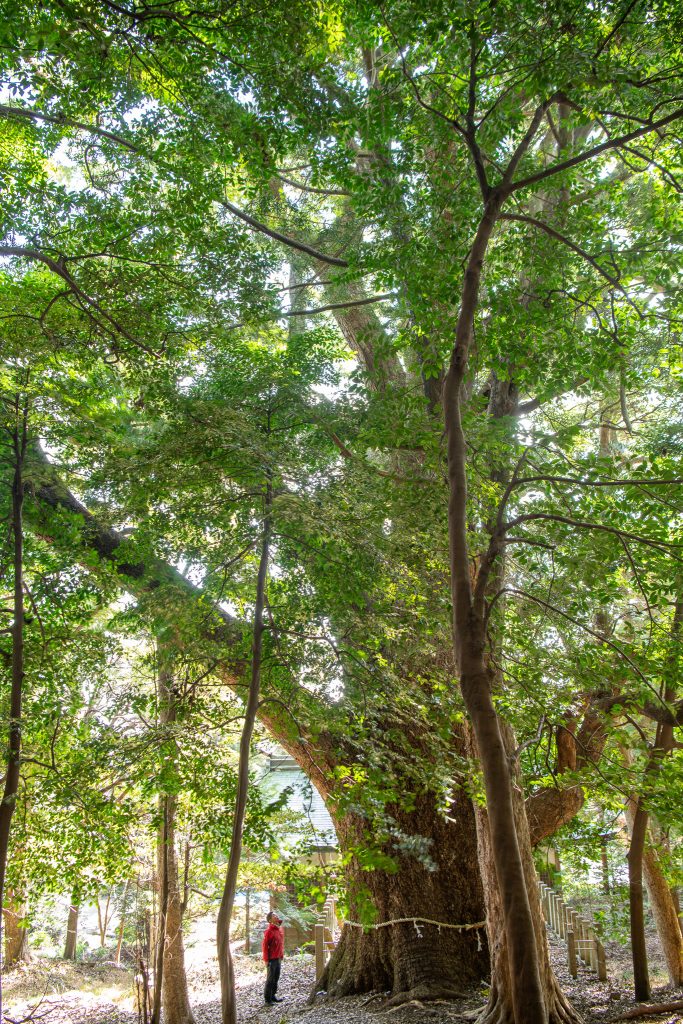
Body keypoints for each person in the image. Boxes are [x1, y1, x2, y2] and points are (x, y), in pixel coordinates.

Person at [262, 911, 284, 1005]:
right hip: (272, 959)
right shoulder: (269, 932)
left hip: (278, 957)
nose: (276, 916)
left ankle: (273, 995)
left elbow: (280, 944)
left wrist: (281, 955)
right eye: (274, 915)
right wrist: (266, 960)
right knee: (270, 979)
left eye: (276, 914)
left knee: (276, 977)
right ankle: (267, 999)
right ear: (270, 920)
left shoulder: (278, 929)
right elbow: (264, 946)